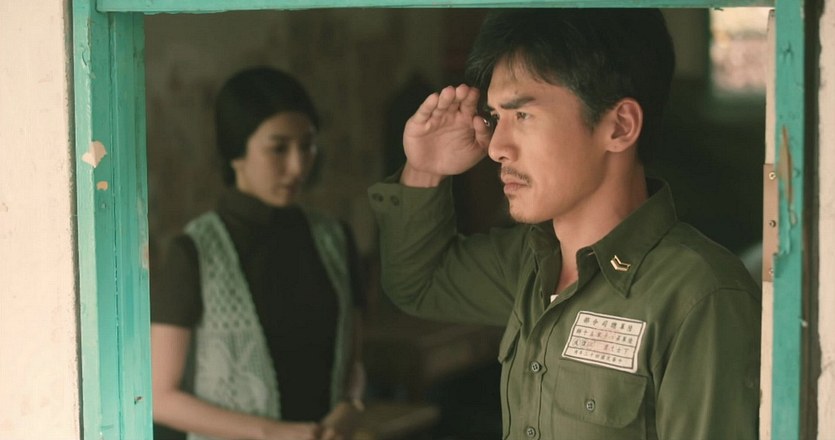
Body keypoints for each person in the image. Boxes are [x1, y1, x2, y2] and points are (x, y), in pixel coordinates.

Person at [368, 8, 760, 440]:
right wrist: (425, 170)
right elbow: (419, 283)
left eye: (522, 116)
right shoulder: (530, 263)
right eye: (495, 118)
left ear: (620, 127)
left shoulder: (698, 294)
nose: (496, 147)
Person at [152, 66, 365, 440]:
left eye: (307, 145)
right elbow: (160, 398)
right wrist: (275, 433)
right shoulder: (194, 252)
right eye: (278, 148)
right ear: (236, 152)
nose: (297, 166)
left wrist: (350, 407)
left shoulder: (335, 239)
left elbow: (352, 359)